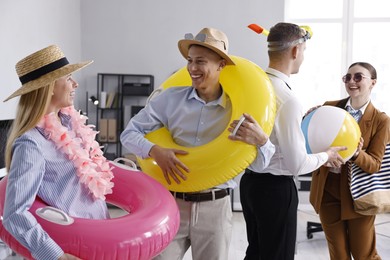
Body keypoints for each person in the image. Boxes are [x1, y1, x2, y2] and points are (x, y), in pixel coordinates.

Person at [120, 27, 275, 260]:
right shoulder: (169, 99)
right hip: (172, 203)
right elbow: (128, 133)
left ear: (221, 65)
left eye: (200, 61)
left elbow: (261, 166)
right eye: (190, 61)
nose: (192, 68)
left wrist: (262, 141)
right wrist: (155, 151)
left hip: (215, 207)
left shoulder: (239, 111)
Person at [239, 22, 347, 260]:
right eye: (304, 51)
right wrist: (327, 155)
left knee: (256, 252)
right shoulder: (288, 98)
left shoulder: (253, 86)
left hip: (249, 185)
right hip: (276, 190)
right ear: (296, 51)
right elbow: (297, 164)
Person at [2, 45, 114, 260]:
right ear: (50, 86)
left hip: (101, 236)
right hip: (73, 246)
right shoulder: (31, 143)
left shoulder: (72, 126)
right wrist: (56, 256)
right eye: (69, 77)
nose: (76, 83)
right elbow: (14, 213)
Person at [310, 62, 390, 260]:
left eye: (358, 77)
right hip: (327, 190)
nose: (351, 82)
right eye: (347, 77)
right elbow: (311, 141)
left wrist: (355, 153)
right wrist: (308, 119)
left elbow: (375, 165)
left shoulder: (381, 120)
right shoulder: (329, 108)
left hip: (358, 195)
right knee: (338, 256)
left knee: (365, 255)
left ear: (373, 82)